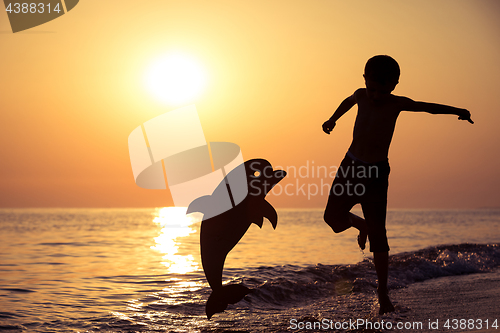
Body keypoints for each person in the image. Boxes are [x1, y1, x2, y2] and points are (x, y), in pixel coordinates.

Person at [322, 55, 473, 315]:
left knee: (380, 236)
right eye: (372, 89)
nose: (377, 96)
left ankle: (382, 293)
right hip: (349, 167)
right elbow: (347, 102)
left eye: (384, 90)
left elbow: (427, 107)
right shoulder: (360, 95)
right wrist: (332, 119)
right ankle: (362, 225)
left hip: (376, 174)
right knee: (332, 219)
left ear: (394, 85)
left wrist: (458, 111)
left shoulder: (396, 104)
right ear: (364, 79)